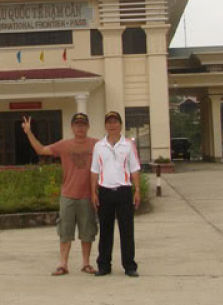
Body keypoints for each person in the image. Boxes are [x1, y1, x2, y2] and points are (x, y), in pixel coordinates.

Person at [22, 113, 98, 276]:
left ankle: (86, 263)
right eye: (77, 124)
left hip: (87, 196)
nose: (80, 127)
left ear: (88, 127)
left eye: (83, 124)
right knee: (65, 231)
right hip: (68, 195)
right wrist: (29, 132)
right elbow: (41, 149)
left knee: (87, 231)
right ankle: (63, 264)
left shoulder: (96, 145)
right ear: (72, 127)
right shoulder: (64, 145)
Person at [90, 111, 141, 277]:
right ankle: (104, 265)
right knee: (105, 231)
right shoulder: (99, 146)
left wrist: (137, 190)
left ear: (120, 124)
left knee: (127, 230)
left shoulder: (128, 145)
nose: (112, 125)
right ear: (105, 125)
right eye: (109, 122)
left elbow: (134, 169)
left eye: (115, 122)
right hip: (105, 192)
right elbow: (94, 171)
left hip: (124, 191)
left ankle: (129, 266)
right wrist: (93, 192)